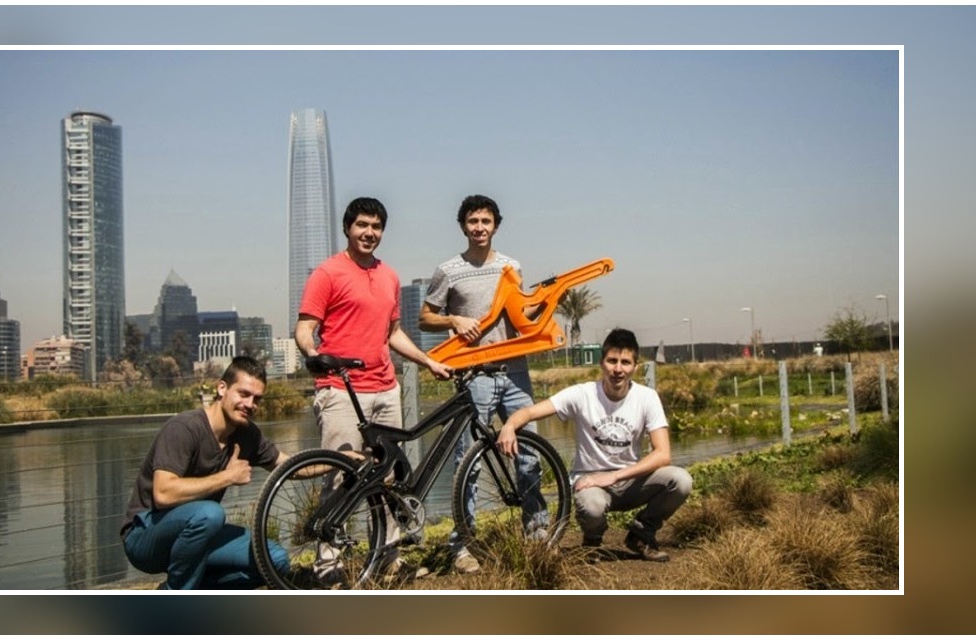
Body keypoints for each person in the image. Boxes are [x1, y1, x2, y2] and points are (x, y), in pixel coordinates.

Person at [295, 196, 453, 582]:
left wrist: (428, 361)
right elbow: (304, 328)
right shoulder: (327, 274)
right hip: (341, 389)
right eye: (362, 225)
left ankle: (387, 557)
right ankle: (328, 564)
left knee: (387, 479)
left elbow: (393, 333)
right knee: (340, 474)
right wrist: (314, 354)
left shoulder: (389, 276)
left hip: (385, 389)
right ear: (348, 228)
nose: (369, 233)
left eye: (376, 227)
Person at [419, 194, 549, 574]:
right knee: (468, 462)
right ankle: (463, 546)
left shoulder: (512, 266)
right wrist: (454, 321)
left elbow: (521, 313)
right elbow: (426, 317)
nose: (479, 227)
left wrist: (544, 304)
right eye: (473, 221)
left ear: (496, 225)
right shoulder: (449, 270)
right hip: (473, 378)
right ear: (463, 226)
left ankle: (537, 535)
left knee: (529, 453)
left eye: (486, 221)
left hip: (515, 373)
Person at [497, 328, 693, 561]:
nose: (618, 369)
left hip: (630, 481)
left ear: (635, 367)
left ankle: (642, 533)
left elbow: (663, 455)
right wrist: (509, 426)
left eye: (625, 362)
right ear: (602, 363)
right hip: (590, 483)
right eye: (612, 361)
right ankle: (593, 540)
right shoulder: (582, 394)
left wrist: (615, 476)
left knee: (681, 480)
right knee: (591, 507)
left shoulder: (647, 397)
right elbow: (529, 412)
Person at [119, 356, 291, 589]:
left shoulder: (247, 433)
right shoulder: (184, 428)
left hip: (197, 533)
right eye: (243, 394)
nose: (250, 404)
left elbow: (287, 465)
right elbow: (163, 493)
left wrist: (340, 459)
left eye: (257, 399)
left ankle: (190, 588)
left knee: (275, 561)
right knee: (210, 514)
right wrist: (228, 477)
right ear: (222, 388)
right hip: (146, 535)